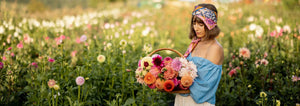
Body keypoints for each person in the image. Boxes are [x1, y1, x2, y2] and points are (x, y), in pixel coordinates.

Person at [174, 3, 223, 106]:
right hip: (181, 99)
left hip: (199, 103)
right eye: (194, 23)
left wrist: (178, 82)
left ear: (210, 25)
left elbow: (206, 85)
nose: (196, 28)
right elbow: (184, 67)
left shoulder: (215, 48)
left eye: (201, 25)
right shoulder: (195, 42)